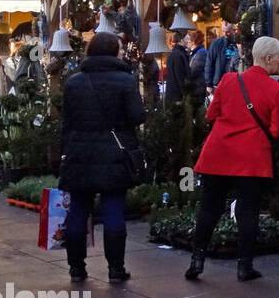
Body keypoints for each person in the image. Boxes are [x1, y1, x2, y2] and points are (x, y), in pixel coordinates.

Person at [185, 36, 279, 282]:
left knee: (209, 208)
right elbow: (277, 131)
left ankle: (197, 261)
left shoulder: (229, 80)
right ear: (268, 58)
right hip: (251, 158)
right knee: (247, 211)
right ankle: (244, 266)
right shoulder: (275, 89)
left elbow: (211, 114)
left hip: (217, 153)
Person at [58, 32, 145, 283]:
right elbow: (137, 116)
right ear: (112, 52)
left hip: (78, 153)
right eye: (119, 48)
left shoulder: (74, 82)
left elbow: (67, 122)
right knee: (113, 209)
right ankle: (116, 269)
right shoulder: (125, 80)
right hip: (114, 153)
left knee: (78, 210)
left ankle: (77, 268)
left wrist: (63, 153)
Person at [204, 22, 240, 93]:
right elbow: (209, 63)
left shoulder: (239, 42)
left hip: (235, 82)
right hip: (220, 82)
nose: (225, 34)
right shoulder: (217, 43)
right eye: (223, 31)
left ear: (234, 30)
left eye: (228, 32)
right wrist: (208, 84)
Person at [163, 30, 192, 103]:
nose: (189, 41)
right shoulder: (178, 55)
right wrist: (184, 93)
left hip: (173, 94)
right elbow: (180, 76)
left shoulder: (176, 53)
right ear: (181, 40)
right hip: (177, 96)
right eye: (187, 39)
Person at [187, 30, 207, 94]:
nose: (187, 42)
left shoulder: (201, 53)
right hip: (195, 86)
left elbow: (194, 71)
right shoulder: (193, 52)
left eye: (189, 41)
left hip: (199, 87)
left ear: (193, 42)